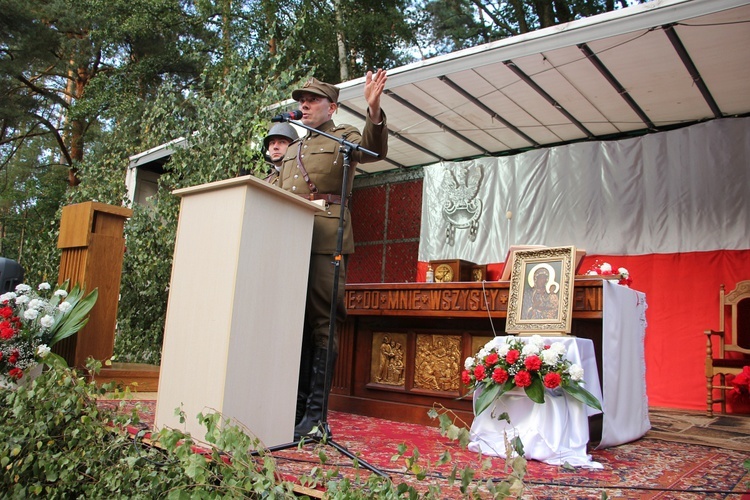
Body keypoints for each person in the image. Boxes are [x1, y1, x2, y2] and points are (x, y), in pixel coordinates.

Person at [278, 71, 388, 440]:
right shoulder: (293, 148)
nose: (303, 105)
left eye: (311, 100)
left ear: (332, 107)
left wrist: (374, 111)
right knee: (295, 324)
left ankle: (314, 416)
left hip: (326, 237)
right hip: (291, 240)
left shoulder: (342, 137)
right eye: (300, 100)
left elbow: (373, 151)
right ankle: (292, 408)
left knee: (323, 322)